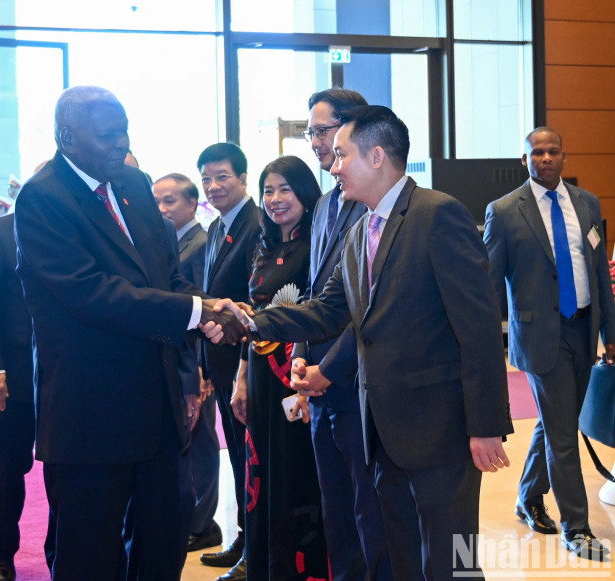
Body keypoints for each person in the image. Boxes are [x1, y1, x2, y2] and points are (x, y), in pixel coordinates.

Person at [212, 105, 514, 579]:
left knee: (454, 558)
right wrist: (249, 322)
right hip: (378, 426)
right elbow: (327, 311)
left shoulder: (438, 214)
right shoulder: (360, 229)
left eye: (341, 155)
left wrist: (486, 424)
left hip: (441, 425)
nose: (333, 167)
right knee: (399, 552)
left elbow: (478, 327)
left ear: (376, 156)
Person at [13, 85, 246, 580]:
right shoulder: (44, 197)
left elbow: (166, 274)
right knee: (91, 555)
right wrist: (193, 308)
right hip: (90, 414)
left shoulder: (135, 185)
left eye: (124, 131)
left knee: (162, 546)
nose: (120, 143)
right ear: (66, 137)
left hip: (157, 408)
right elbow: (90, 294)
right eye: (107, 135)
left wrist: (204, 315)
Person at [484, 127, 615, 559]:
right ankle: (576, 527)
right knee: (563, 433)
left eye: (552, 151)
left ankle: (527, 496)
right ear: (525, 160)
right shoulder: (503, 211)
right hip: (540, 337)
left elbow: (600, 278)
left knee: (556, 419)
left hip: (583, 330)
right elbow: (488, 282)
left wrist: (610, 336)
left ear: (564, 156)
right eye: (536, 152)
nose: (545, 158)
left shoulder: (589, 204)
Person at [292, 88, 391, 581]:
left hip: (357, 382)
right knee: (335, 507)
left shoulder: (376, 207)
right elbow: (318, 294)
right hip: (319, 379)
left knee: (368, 507)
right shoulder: (327, 204)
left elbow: (366, 308)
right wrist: (300, 355)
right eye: (311, 132)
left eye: (323, 131)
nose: (315, 142)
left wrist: (328, 371)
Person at [229, 155, 326, 579]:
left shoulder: (320, 245)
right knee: (262, 477)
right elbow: (251, 315)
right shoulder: (264, 246)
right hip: (261, 378)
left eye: (285, 189)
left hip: (298, 381)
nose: (274, 199)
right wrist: (241, 377)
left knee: (296, 479)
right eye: (268, 190)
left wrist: (303, 386)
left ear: (305, 192)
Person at [0, 211, 57, 581]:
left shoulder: (76, 227)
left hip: (67, 376)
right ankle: (1, 554)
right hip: (11, 378)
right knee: (6, 469)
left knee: (68, 470)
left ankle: (62, 552)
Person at [196, 142, 261, 581]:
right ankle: (242, 538)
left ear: (241, 178)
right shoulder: (217, 228)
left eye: (222, 177)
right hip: (219, 365)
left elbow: (253, 305)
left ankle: (254, 551)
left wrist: (241, 370)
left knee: (251, 461)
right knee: (236, 459)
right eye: (206, 179)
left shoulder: (255, 225)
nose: (214, 186)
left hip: (247, 367)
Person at [153, 173, 223, 551]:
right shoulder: (170, 241)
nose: (162, 209)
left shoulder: (199, 243)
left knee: (201, 442)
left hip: (195, 361)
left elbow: (200, 306)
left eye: (170, 201)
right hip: (178, 358)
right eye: (157, 202)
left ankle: (201, 522)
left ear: (192, 203)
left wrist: (200, 368)